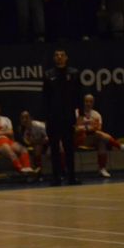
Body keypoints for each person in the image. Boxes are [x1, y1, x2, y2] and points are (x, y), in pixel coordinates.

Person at [42, 49, 81, 186]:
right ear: (54, 58)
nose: (59, 57)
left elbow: (78, 95)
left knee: (69, 148)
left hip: (68, 116)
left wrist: (80, 116)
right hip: (53, 117)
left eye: (62, 55)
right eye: (56, 55)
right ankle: (56, 178)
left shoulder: (74, 73)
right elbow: (45, 98)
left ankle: (72, 177)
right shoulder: (48, 74)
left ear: (66, 57)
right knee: (54, 149)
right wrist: (46, 117)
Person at [75, 93, 124, 178]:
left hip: (91, 138)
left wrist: (86, 127)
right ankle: (119, 146)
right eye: (86, 101)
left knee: (101, 141)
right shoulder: (77, 112)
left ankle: (102, 169)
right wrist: (88, 127)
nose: (88, 104)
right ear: (83, 102)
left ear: (93, 103)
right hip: (78, 139)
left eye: (90, 102)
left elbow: (98, 128)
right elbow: (76, 129)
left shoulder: (96, 114)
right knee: (100, 136)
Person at [0, 101, 35, 174]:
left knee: (23, 149)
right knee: (11, 153)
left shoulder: (6, 119)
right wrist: (4, 131)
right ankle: (21, 170)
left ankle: (27, 168)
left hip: (7, 140)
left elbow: (10, 132)